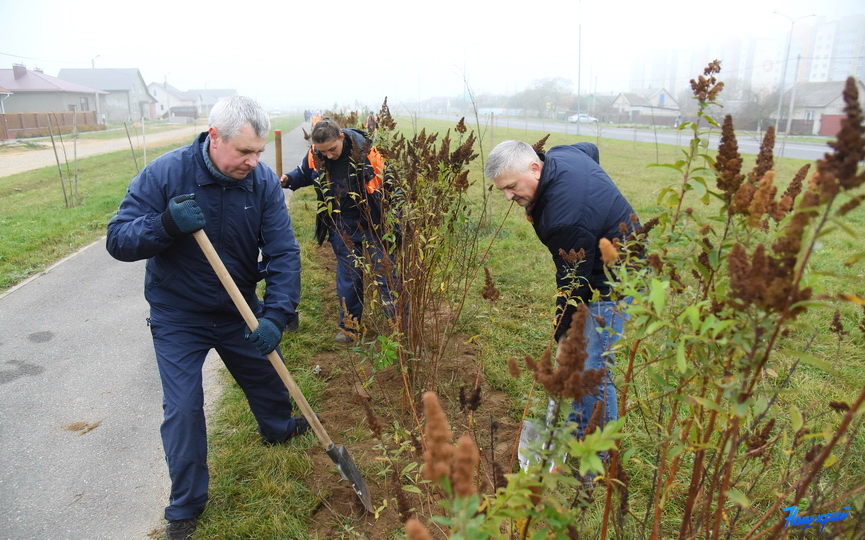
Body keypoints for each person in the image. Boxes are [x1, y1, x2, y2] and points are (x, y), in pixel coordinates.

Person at [106, 96, 308, 540]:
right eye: (245, 152)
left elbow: (283, 252)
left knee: (266, 374)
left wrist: (275, 314)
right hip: (178, 314)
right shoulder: (166, 174)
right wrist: (165, 225)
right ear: (214, 137)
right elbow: (118, 239)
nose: (255, 162)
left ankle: (278, 429)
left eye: (259, 152)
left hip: (238, 309)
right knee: (183, 408)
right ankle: (185, 506)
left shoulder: (263, 184)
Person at [484, 139, 638, 457]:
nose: (508, 196)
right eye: (502, 189)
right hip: (597, 251)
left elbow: (573, 285)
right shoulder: (562, 154)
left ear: (535, 167)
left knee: (588, 366)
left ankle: (597, 455)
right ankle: (580, 428)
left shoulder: (565, 219)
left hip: (615, 277)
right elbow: (591, 149)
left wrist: (564, 338)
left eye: (511, 187)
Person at [281, 118, 396, 343]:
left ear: (341, 137)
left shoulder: (368, 152)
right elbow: (304, 174)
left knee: (386, 274)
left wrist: (396, 223)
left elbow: (392, 185)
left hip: (374, 222)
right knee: (349, 276)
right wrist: (288, 180)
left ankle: (400, 326)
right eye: (324, 152)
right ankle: (349, 327)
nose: (329, 155)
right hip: (342, 224)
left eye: (332, 149)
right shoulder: (317, 154)